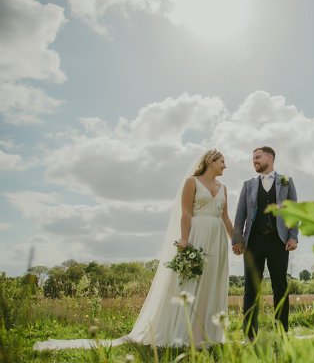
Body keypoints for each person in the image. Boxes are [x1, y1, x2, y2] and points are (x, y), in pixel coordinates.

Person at [34, 149, 233, 350]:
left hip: (217, 240)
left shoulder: (223, 188)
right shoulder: (192, 182)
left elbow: (225, 218)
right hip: (196, 236)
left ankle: (209, 333)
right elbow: (186, 213)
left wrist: (236, 241)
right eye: (223, 162)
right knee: (190, 284)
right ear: (211, 161)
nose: (225, 166)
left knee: (212, 283)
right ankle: (182, 332)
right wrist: (184, 239)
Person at [232, 146, 298, 340]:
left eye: (258, 157)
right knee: (251, 289)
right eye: (253, 159)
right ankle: (250, 336)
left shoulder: (286, 182)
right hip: (253, 242)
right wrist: (237, 240)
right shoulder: (249, 185)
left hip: (279, 242)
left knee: (280, 287)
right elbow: (240, 215)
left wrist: (293, 236)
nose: (254, 161)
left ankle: (282, 334)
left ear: (270, 157)